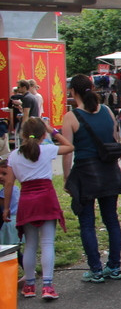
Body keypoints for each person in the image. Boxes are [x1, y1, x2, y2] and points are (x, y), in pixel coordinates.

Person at [61, 74, 121, 283]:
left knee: (87, 223)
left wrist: (67, 178)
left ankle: (95, 269)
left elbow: (67, 151)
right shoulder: (106, 110)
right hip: (109, 171)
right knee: (111, 219)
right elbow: (115, 139)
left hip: (85, 173)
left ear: (72, 92)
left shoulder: (71, 117)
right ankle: (114, 266)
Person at [6, 118, 72, 299]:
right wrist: (53, 131)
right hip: (46, 198)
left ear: (22, 134)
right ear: (43, 134)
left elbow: (10, 183)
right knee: (47, 242)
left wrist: (5, 208)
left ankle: (29, 285)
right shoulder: (48, 149)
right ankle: (48, 286)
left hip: (27, 200)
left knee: (30, 244)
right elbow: (69, 147)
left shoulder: (14, 155)